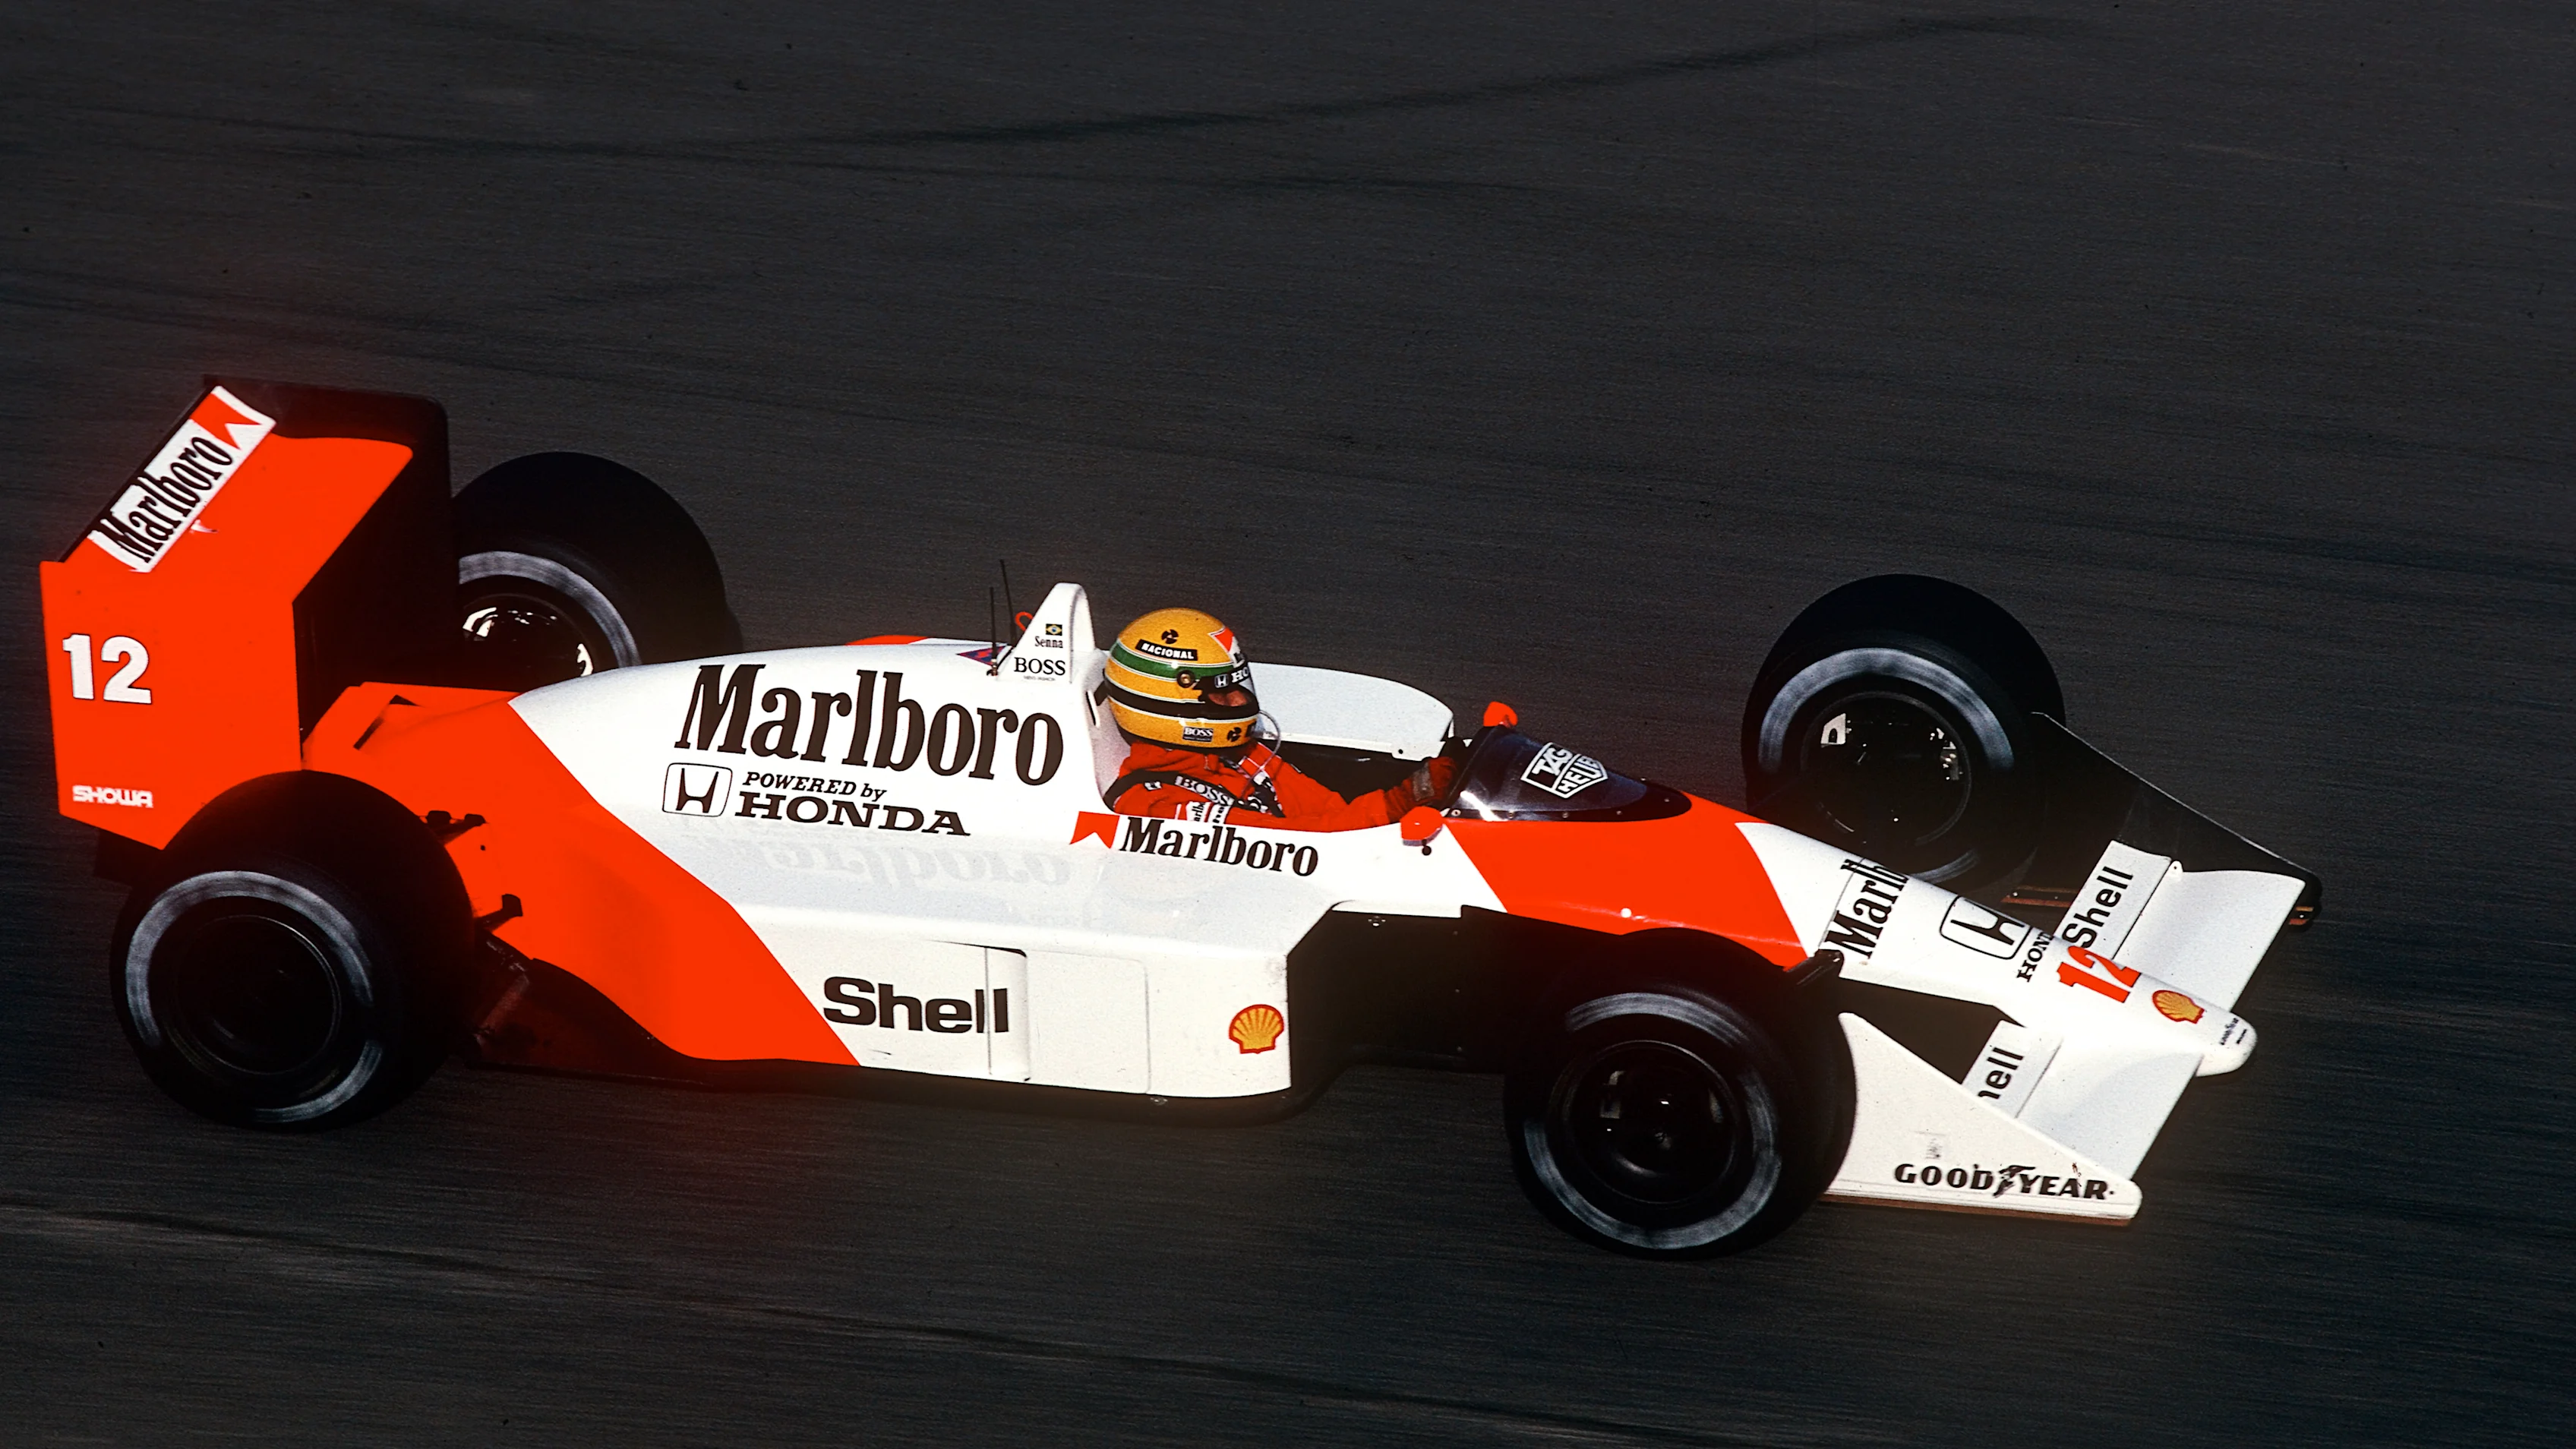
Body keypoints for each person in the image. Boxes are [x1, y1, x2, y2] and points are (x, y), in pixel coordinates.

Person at [1101, 608, 1456, 832]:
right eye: (1222, 692)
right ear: (1169, 702)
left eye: (1239, 685)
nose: (1241, 700)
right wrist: (1404, 799)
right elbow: (1298, 842)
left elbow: (1330, 812)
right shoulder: (1155, 805)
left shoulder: (1243, 755)